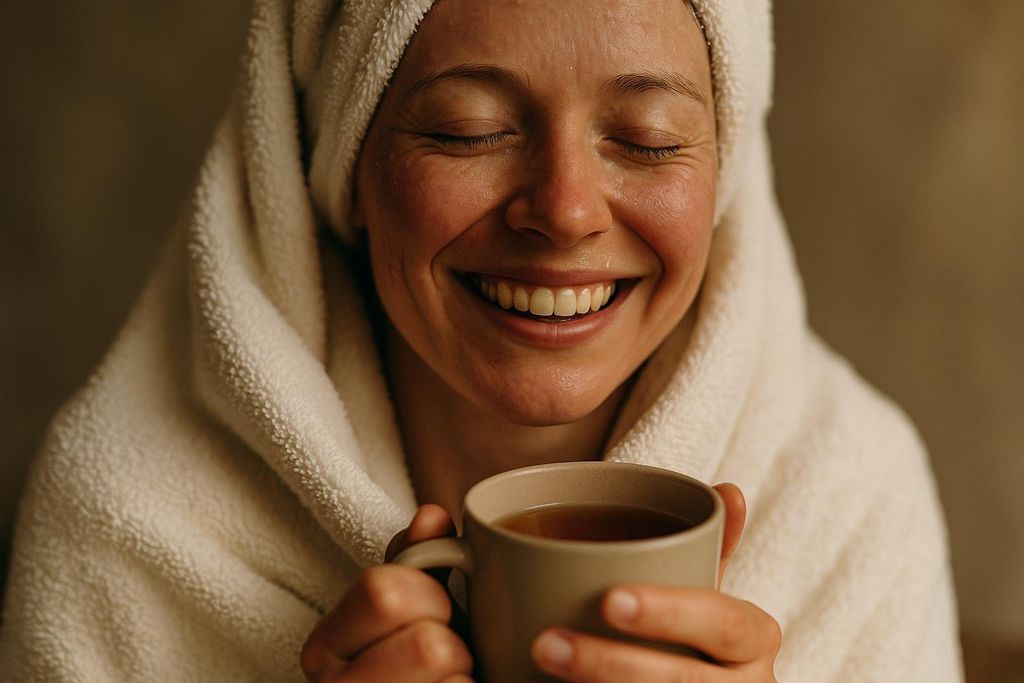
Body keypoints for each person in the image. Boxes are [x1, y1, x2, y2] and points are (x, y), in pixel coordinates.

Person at [0, 0, 963, 681]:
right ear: (340, 163)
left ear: (725, 175)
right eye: (469, 130)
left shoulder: (847, 497)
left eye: (648, 136)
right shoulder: (128, 520)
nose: (566, 209)